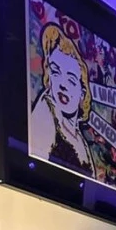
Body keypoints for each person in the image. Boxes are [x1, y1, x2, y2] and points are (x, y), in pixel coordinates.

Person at [29, 24, 95, 176]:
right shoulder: (46, 110)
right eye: (56, 72)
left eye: (71, 80)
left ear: (82, 93)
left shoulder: (81, 141)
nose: (63, 85)